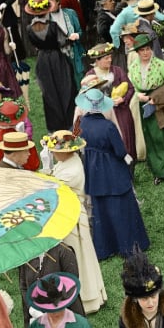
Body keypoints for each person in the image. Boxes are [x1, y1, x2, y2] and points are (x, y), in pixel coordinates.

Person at [77, 88, 150, 258]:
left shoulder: (80, 124)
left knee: (100, 211)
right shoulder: (108, 126)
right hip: (113, 172)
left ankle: (104, 248)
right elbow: (119, 150)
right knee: (121, 209)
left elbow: (75, 141)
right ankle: (128, 246)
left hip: (93, 173)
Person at [40, 130, 107, 314]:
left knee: (77, 255)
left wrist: (46, 167)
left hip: (73, 216)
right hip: (68, 213)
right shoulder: (68, 162)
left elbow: (50, 186)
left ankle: (87, 298)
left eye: (54, 150)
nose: (52, 153)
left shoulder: (73, 168)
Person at [129, 33, 164, 185]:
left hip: (160, 102)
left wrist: (154, 97)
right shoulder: (133, 67)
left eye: (148, 49)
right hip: (144, 103)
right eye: (142, 50)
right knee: (150, 135)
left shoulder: (161, 65)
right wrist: (139, 96)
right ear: (137, 52)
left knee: (162, 135)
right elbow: (132, 87)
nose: (145, 53)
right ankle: (157, 167)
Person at [26, 0, 78, 132]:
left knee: (49, 94)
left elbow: (35, 45)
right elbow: (62, 42)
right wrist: (71, 39)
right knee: (65, 89)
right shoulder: (53, 26)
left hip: (42, 61)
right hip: (57, 59)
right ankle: (69, 123)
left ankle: (55, 128)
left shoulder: (29, 29)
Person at [85, 42, 138, 160]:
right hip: (102, 116)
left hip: (121, 112)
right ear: (97, 60)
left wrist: (123, 99)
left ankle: (130, 171)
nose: (110, 60)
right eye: (106, 58)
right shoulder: (90, 76)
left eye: (110, 57)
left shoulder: (118, 71)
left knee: (126, 141)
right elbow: (86, 98)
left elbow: (130, 88)